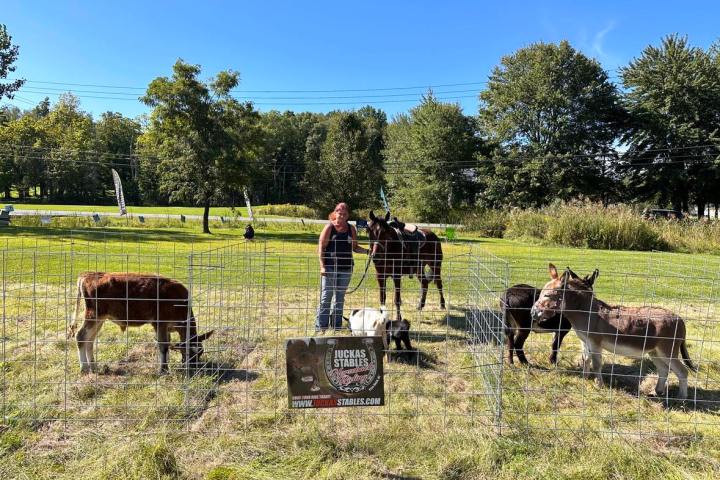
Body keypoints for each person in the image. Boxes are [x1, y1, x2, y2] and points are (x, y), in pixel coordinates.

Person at [316, 202, 370, 332]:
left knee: (340, 298)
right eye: (339, 213)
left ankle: (336, 327)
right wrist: (322, 266)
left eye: (344, 214)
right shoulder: (329, 228)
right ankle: (321, 327)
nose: (341, 216)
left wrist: (368, 251)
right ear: (335, 213)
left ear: (347, 216)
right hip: (330, 268)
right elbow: (321, 248)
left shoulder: (351, 229)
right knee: (326, 297)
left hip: (346, 268)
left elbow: (355, 247)